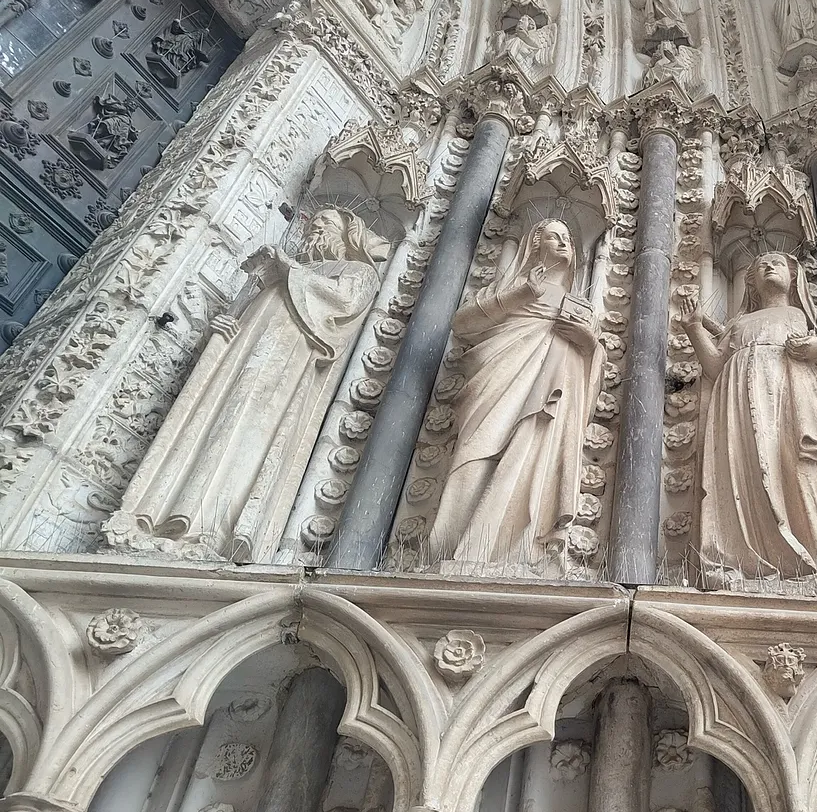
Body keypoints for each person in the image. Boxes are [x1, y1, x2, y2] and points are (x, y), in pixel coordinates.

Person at [109, 209, 388, 560]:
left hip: (285, 362)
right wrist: (229, 322)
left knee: (246, 432)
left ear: (349, 236)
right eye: (312, 221)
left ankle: (212, 531)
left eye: (326, 223)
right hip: (245, 351)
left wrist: (287, 268)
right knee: (214, 420)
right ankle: (172, 513)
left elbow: (341, 304)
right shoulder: (296, 267)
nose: (315, 226)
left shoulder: (358, 272)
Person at [428, 219, 604, 566]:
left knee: (532, 454)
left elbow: (594, 359)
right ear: (534, 243)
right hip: (501, 373)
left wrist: (587, 341)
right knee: (479, 451)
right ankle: (454, 545)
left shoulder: (579, 304)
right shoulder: (511, 286)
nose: (564, 242)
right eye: (555, 236)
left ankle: (516, 549)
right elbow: (463, 324)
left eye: (568, 237)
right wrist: (521, 294)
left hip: (552, 391)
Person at [683, 251, 817, 587]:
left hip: (794, 399)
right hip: (739, 401)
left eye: (777, 262)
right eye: (760, 265)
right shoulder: (740, 323)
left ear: (795, 275)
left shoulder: (810, 319)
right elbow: (715, 366)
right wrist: (693, 328)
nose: (769, 266)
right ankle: (741, 560)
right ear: (752, 283)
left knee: (797, 469)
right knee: (742, 470)